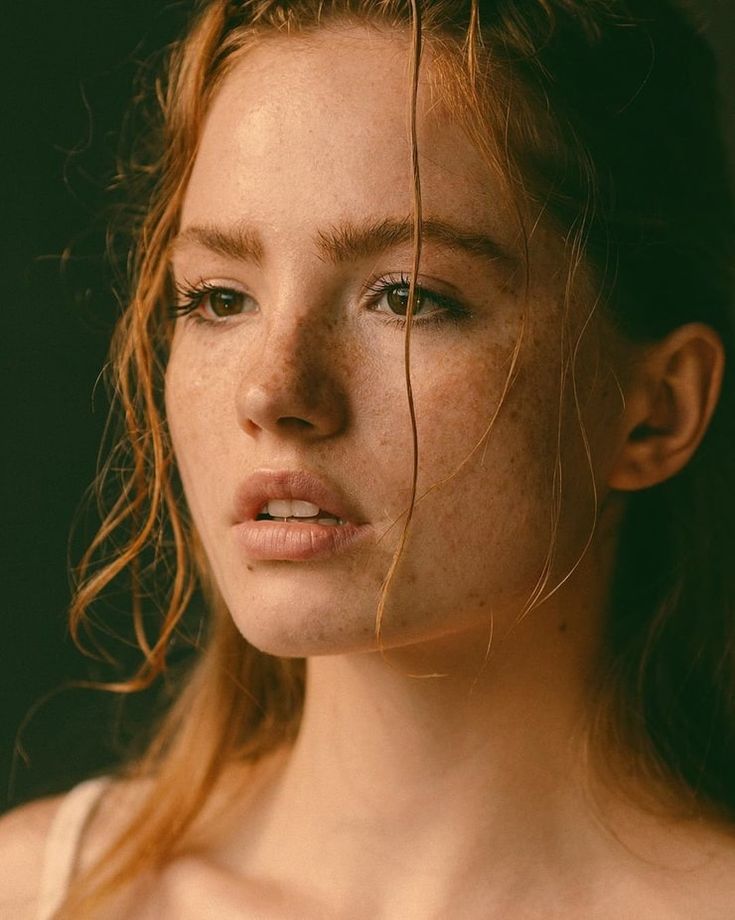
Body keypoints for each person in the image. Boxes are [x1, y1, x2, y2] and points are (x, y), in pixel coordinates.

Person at [2, 0, 735, 916]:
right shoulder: (37, 892)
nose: (272, 392)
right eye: (220, 299)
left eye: (408, 295)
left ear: (654, 413)